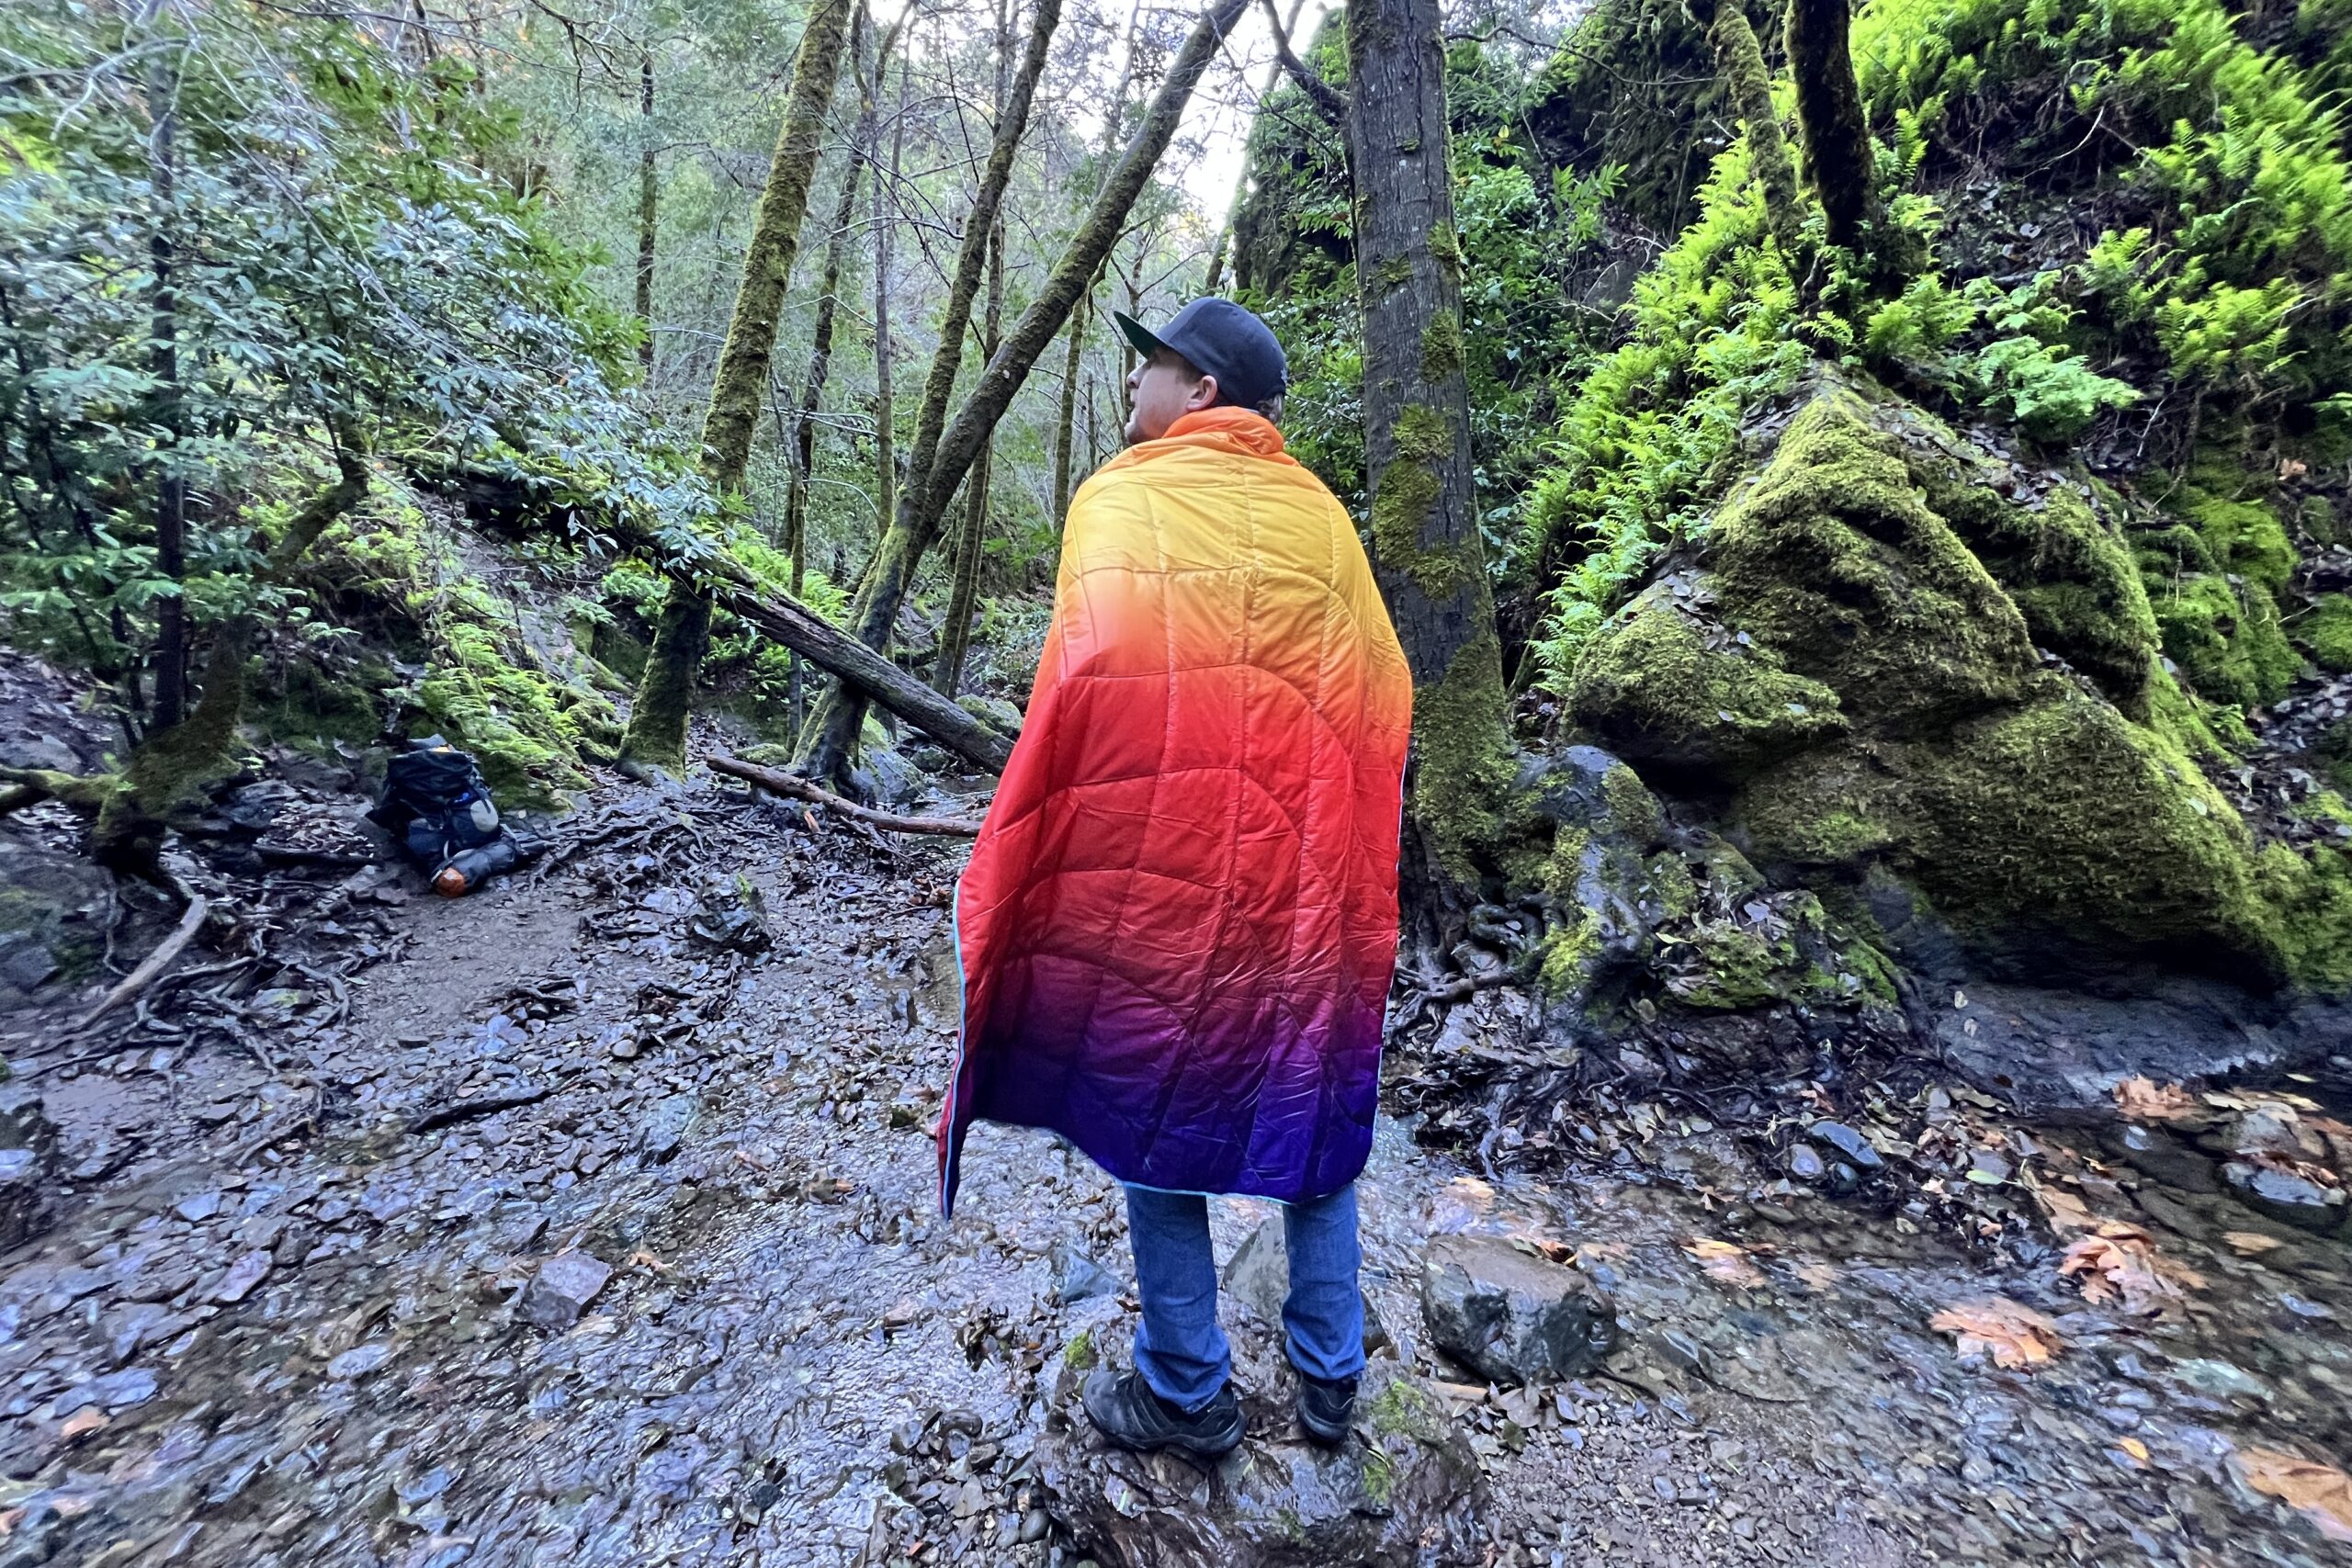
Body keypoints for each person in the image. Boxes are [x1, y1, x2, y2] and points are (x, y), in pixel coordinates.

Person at [937, 297, 1413, 1458]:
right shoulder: (1325, 523)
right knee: (1312, 1100)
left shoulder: (1123, 497)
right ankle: (1330, 1380)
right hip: (1301, 888)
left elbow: (1086, 678)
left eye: (1148, 368)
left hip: (1159, 874)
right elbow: (1383, 693)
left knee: (1153, 1109)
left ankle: (1188, 1390)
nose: (1132, 388)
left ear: (1199, 389)